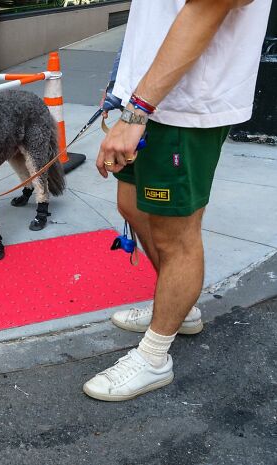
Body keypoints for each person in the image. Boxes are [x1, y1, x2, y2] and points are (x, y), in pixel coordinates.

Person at [84, 0, 271, 401]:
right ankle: (179, 310)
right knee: (131, 206)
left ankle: (154, 357)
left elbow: (207, 8)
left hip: (184, 105)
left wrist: (135, 114)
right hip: (146, 97)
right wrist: (123, 87)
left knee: (177, 235)